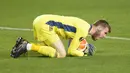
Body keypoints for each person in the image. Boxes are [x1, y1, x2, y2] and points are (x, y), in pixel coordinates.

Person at [10, 14, 111, 58]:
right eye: (105, 33)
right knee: (61, 54)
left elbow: (72, 43)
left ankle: (22, 44)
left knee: (50, 50)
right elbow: (71, 51)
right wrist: (83, 53)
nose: (104, 36)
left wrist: (82, 47)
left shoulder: (84, 25)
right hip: (46, 25)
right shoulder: (84, 30)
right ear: (99, 28)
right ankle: (27, 46)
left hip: (40, 20)